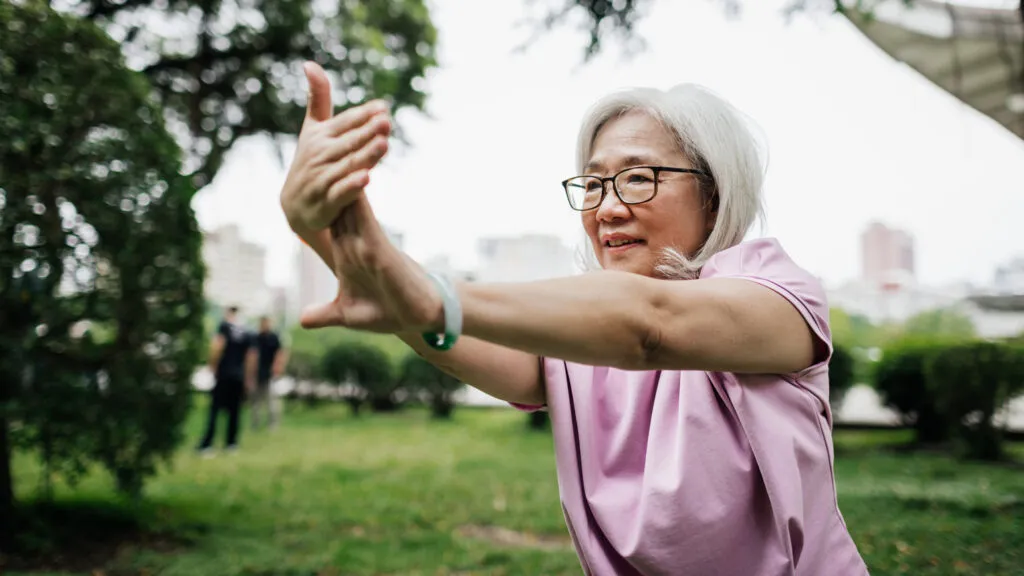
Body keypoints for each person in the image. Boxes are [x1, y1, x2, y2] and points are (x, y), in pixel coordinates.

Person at [280, 61, 869, 575]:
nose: (608, 206)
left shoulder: (775, 292)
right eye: (593, 183)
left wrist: (431, 298)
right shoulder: (581, 333)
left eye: (639, 177)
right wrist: (319, 226)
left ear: (712, 194)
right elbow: (445, 332)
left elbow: (651, 327)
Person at [198, 305, 252, 454]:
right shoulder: (246, 331)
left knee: (214, 410)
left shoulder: (224, 327)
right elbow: (250, 357)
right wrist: (248, 378)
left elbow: (218, 345)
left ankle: (207, 444)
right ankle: (231, 444)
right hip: (238, 376)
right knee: (235, 412)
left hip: (224, 374)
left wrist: (212, 366)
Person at [249, 315, 287, 430]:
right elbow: (252, 355)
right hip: (258, 373)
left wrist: (277, 368)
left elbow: (280, 353)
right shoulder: (256, 337)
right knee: (256, 401)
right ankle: (255, 423)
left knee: (272, 401)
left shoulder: (274, 337)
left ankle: (273, 424)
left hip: (270, 373)